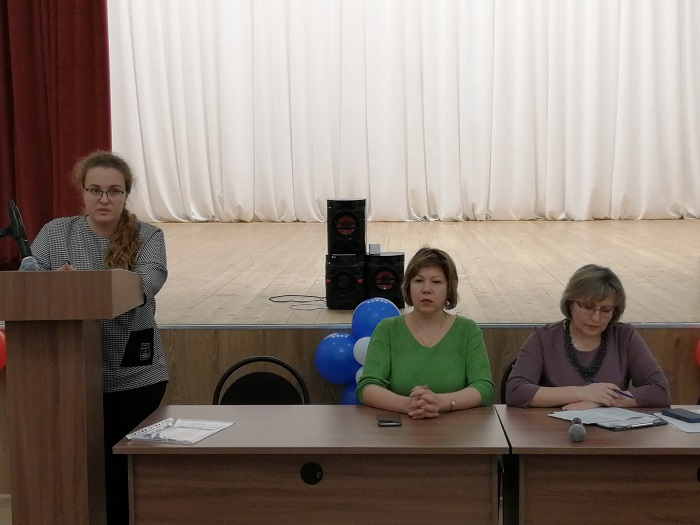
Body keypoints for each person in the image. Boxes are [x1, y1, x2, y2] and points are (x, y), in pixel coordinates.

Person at [31, 151, 169, 524]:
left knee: (121, 475)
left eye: (114, 191)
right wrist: (51, 284)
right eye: (95, 190)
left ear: (126, 195)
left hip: (134, 379)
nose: (104, 199)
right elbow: (29, 281)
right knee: (79, 475)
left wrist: (81, 287)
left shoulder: (149, 236)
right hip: (71, 377)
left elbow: (145, 284)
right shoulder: (56, 232)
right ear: (83, 192)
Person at [505, 264, 671, 409]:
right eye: (588, 307)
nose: (596, 318)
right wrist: (583, 393)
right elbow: (515, 391)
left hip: (610, 432)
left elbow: (660, 390)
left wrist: (602, 401)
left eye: (606, 310)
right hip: (552, 431)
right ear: (571, 304)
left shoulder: (624, 337)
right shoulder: (543, 338)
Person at [356, 247, 494, 418]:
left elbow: (484, 387)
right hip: (400, 427)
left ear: (449, 288)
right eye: (419, 281)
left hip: (455, 429)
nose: (426, 289)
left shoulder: (467, 330)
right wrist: (408, 405)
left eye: (436, 282)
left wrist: (441, 402)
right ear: (408, 286)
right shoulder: (388, 329)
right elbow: (367, 387)